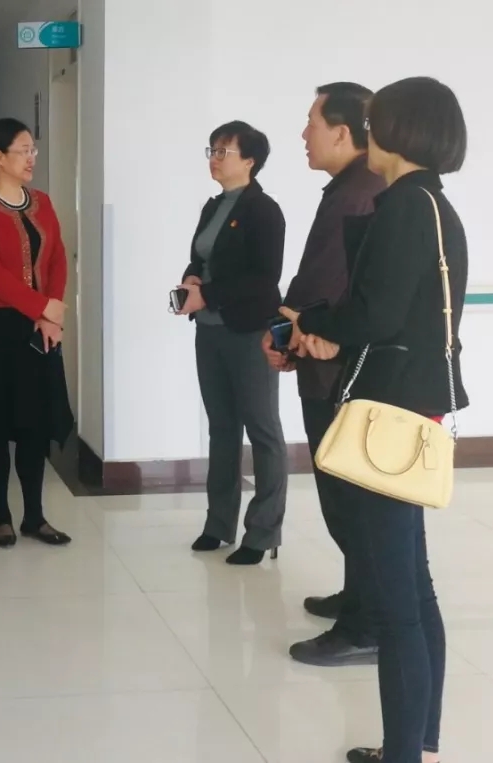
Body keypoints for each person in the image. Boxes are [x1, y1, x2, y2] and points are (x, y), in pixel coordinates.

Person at [280, 76, 469, 763]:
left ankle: (404, 753)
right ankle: (420, 743)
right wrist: (330, 330)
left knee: (399, 605)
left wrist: (316, 327)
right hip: (413, 405)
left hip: (388, 412)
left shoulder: (404, 208)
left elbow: (375, 314)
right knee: (414, 587)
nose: (368, 133)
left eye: (374, 122)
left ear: (397, 130)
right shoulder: (433, 205)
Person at [262, 83, 385, 666]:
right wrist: (288, 333)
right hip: (321, 359)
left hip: (338, 371)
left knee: (350, 500)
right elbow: (315, 281)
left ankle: (367, 625)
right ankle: (358, 597)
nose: (304, 134)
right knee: (341, 495)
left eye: (311, 122)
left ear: (342, 131)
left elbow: (329, 289)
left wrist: (287, 332)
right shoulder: (348, 189)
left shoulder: (361, 193)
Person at [176, 121, 288, 565]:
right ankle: (218, 524)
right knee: (222, 428)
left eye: (224, 151)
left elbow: (265, 279)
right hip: (209, 331)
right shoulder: (213, 207)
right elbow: (200, 257)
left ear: (250, 161)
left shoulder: (264, 210)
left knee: (262, 429)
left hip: (250, 332)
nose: (215, 158)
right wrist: (191, 280)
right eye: (212, 150)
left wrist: (208, 293)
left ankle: (262, 532)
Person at [0, 118, 74, 548]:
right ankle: (1, 517)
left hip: (40, 326)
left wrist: (51, 312)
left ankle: (35, 517)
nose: (31, 158)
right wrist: (41, 307)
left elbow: (58, 257)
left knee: (34, 423)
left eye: (33, 150)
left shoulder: (42, 202)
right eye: (23, 150)